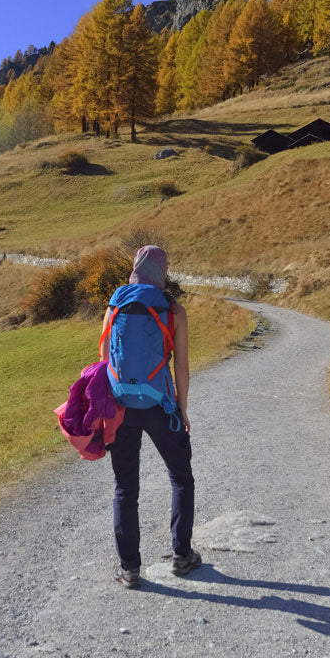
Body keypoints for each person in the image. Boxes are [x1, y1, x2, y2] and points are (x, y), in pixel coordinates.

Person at [100, 245, 200, 589]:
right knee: (181, 478)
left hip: (122, 407)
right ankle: (182, 555)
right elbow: (182, 367)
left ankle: (130, 569)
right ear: (163, 271)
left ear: (135, 269)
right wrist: (182, 409)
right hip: (161, 406)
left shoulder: (115, 306)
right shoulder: (173, 310)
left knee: (126, 488)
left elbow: (104, 362)